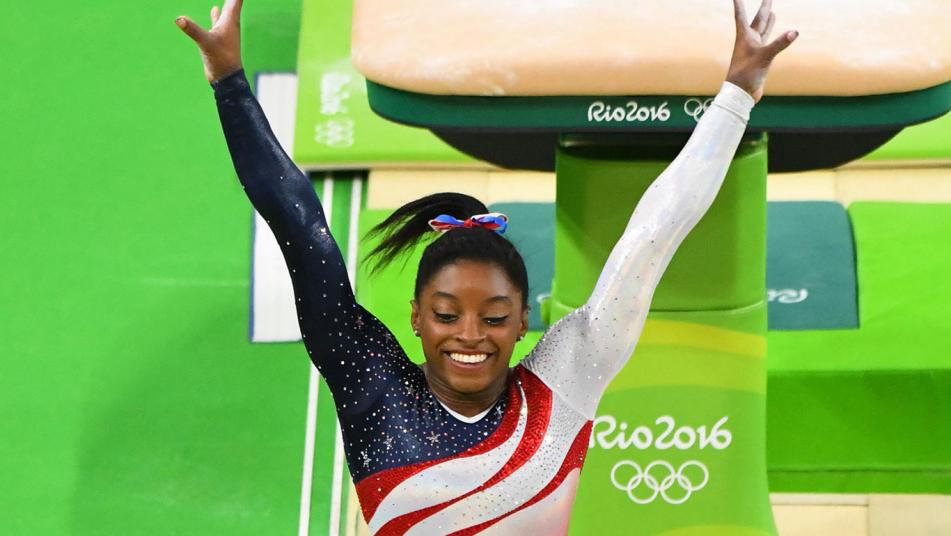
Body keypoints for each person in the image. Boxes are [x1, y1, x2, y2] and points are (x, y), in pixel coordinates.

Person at [176, 1, 796, 533]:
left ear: (525, 319)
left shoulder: (566, 379)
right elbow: (300, 225)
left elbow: (656, 232)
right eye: (447, 315)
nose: (470, 335)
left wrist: (738, 93)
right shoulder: (372, 386)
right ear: (416, 318)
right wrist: (229, 81)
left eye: (494, 317)